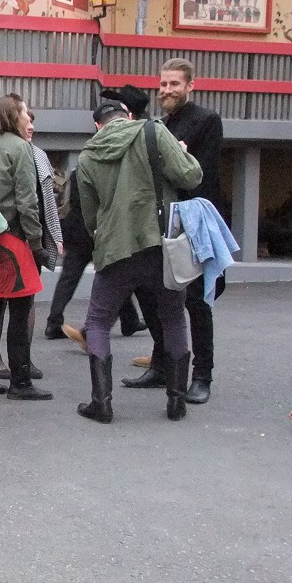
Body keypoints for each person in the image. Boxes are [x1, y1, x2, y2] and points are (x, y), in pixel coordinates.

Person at [75, 101, 202, 423]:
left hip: (116, 249)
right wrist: (182, 152)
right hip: (161, 245)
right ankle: (176, 402)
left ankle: (101, 403)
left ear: (98, 127)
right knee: (173, 318)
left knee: (98, 323)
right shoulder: (153, 132)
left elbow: (90, 216)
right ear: (129, 117)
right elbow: (191, 176)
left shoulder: (88, 155)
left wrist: (105, 235)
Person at [121, 59, 225, 404]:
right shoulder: (159, 125)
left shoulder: (207, 122)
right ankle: (162, 367)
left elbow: (200, 177)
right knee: (156, 295)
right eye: (163, 84)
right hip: (161, 221)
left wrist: (176, 160)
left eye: (174, 84)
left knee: (196, 301)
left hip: (193, 224)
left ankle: (202, 376)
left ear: (190, 86)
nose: (166, 90)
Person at [47, 87, 148, 344]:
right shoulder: (104, 157)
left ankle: (55, 321)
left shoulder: (87, 157)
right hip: (94, 229)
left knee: (72, 276)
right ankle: (124, 321)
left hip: (76, 227)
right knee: (115, 275)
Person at [0, 94, 52, 401]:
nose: (28, 119)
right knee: (20, 311)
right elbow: (27, 203)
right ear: (12, 116)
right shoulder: (21, 148)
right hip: (13, 239)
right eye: (25, 115)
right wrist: (36, 243)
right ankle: (20, 382)